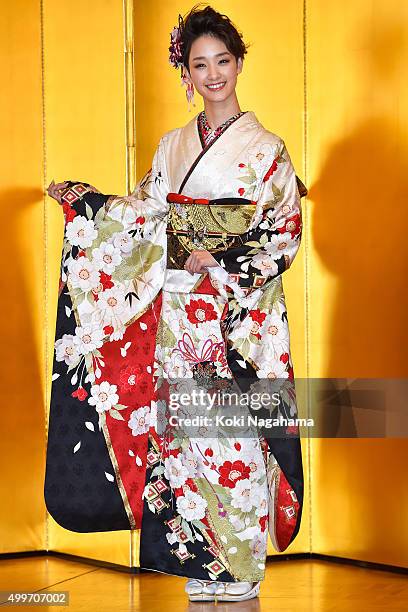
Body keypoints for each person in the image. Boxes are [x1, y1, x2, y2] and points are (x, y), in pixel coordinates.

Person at [46, 3, 307, 603]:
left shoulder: (268, 150)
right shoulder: (171, 146)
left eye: (223, 61)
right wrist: (90, 206)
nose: (213, 74)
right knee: (184, 440)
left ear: (239, 64)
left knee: (232, 437)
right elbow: (143, 220)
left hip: (234, 315)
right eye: (200, 64)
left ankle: (241, 564)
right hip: (175, 314)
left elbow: (283, 230)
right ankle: (203, 562)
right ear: (186, 73)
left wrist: (220, 256)